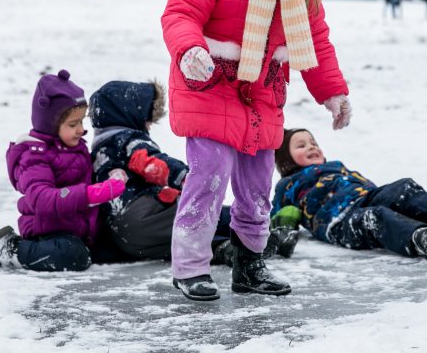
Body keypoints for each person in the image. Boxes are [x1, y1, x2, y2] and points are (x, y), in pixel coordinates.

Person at [161, 0, 351, 301]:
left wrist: (333, 91)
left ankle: (249, 264)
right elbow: (181, 11)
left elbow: (315, 36)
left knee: (256, 186)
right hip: (210, 82)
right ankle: (190, 267)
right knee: (209, 175)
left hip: (263, 91)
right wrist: (190, 49)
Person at [87, 79, 297, 263]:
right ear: (127, 113)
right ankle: (266, 238)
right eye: (146, 118)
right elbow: (153, 163)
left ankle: (225, 251)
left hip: (123, 234)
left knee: (183, 244)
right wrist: (189, 178)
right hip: (145, 212)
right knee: (206, 214)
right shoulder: (128, 140)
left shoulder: (99, 149)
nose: (148, 125)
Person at [271, 128, 427, 259]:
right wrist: (283, 232)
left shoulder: (335, 166)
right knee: (375, 217)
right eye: (301, 146)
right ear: (286, 161)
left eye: (313, 142)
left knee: (404, 189)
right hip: (337, 221)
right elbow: (283, 214)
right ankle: (421, 238)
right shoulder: (289, 185)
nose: (311, 147)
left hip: (366, 196)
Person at [0, 70, 126, 272]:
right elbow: (41, 198)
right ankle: (10, 249)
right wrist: (89, 194)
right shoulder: (34, 156)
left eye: (81, 122)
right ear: (50, 125)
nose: (81, 129)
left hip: (79, 228)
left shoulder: (77, 148)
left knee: (118, 247)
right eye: (72, 124)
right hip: (48, 231)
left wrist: (113, 173)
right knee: (73, 255)